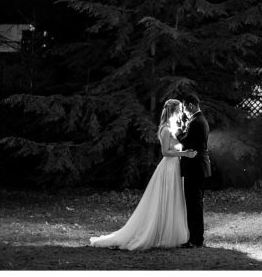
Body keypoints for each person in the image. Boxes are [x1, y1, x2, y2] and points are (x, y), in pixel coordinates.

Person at [89, 99, 197, 250]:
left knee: (172, 199)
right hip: (169, 168)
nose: (180, 112)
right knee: (165, 199)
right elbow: (165, 152)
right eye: (178, 110)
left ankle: (169, 234)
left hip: (175, 167)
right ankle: (159, 235)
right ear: (172, 111)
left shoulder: (172, 127)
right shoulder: (165, 129)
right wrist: (184, 153)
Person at [176, 93, 210, 248]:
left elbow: (186, 142)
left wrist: (177, 132)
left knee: (193, 205)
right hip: (199, 167)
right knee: (196, 204)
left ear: (190, 105)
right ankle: (196, 238)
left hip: (194, 168)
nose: (184, 111)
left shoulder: (196, 121)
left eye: (184, 107)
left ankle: (195, 240)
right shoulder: (199, 120)